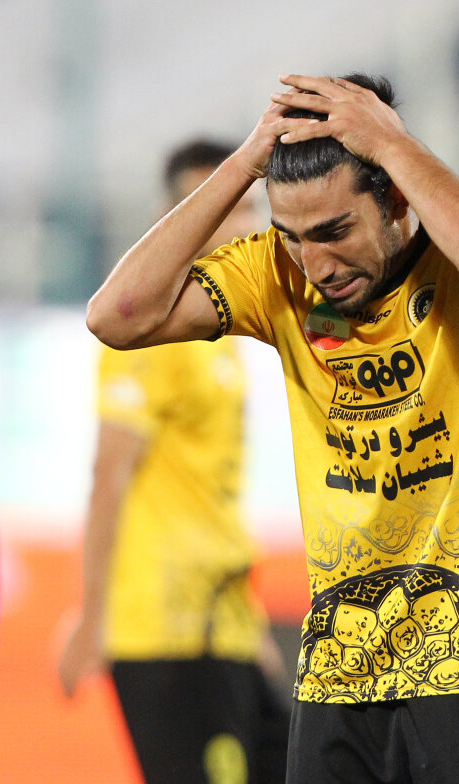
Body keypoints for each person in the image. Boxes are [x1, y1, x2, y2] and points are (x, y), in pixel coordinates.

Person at [86, 73, 459, 783]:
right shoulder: (278, 279)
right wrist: (245, 163)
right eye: (293, 237)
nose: (317, 265)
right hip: (341, 679)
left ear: (395, 197)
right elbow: (117, 316)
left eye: (335, 231)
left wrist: (392, 144)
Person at [57, 139, 291, 784]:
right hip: (165, 627)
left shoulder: (220, 334)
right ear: (177, 217)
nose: (237, 225)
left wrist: (251, 629)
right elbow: (109, 476)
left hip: (225, 621)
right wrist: (93, 618)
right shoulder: (147, 334)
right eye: (217, 208)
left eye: (247, 208)